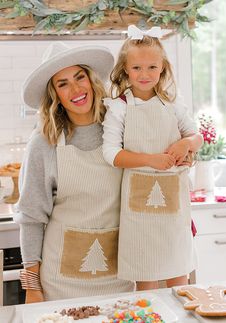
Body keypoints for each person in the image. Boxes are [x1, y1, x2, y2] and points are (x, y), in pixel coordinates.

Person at [14, 42, 135, 303]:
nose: (76, 89)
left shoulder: (122, 129)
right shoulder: (44, 143)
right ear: (54, 94)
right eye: (63, 83)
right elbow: (32, 219)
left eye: (79, 77)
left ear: (91, 80)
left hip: (122, 279)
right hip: (60, 286)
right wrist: (32, 289)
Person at [102, 25, 203, 291]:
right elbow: (111, 154)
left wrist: (185, 144)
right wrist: (151, 160)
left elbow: (196, 137)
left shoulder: (173, 102)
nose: (144, 74)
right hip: (138, 209)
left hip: (174, 204)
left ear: (162, 69)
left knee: (179, 274)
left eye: (152, 67)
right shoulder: (119, 107)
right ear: (125, 69)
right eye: (136, 68)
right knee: (145, 276)